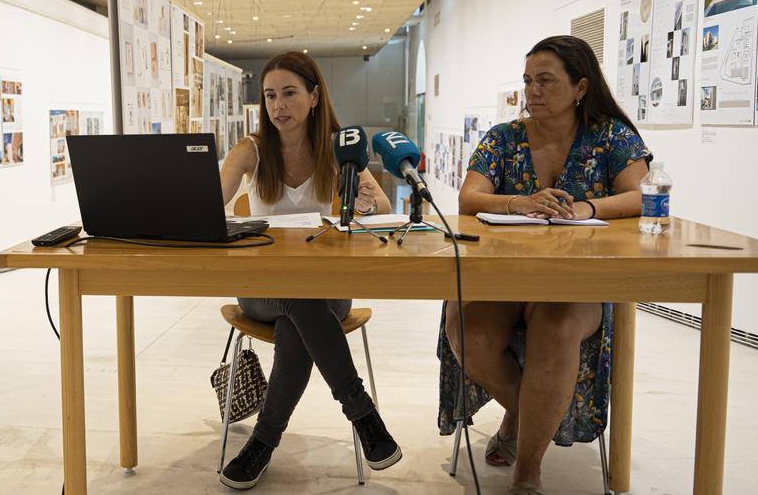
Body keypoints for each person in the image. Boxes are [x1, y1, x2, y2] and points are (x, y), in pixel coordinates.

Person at [438, 35, 652, 495]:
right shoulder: (504, 137)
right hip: (502, 278)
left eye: (546, 81)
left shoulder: (611, 136)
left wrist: (588, 209)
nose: (532, 91)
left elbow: (640, 196)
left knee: (556, 328)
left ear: (580, 87)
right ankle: (523, 413)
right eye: (528, 81)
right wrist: (519, 201)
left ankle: (527, 471)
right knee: (468, 334)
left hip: (577, 282)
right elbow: (469, 197)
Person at [215, 51, 396, 490]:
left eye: (290, 93)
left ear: (314, 96)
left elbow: (386, 210)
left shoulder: (338, 147)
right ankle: (362, 413)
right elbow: (210, 203)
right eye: (271, 95)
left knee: (302, 310)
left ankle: (262, 443)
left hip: (324, 289)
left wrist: (365, 201)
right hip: (261, 291)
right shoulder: (252, 149)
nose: (279, 105)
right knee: (302, 300)